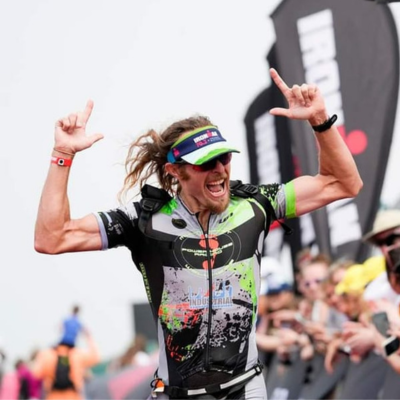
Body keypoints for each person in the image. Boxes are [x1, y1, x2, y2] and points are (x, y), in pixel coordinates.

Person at [34, 68, 362, 399]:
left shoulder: (255, 205)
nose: (219, 170)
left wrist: (320, 120)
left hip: (244, 389)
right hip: (174, 393)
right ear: (174, 171)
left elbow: (343, 183)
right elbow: (53, 237)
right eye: (205, 163)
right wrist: (62, 156)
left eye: (223, 158)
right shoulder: (145, 220)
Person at [32, 329, 99, 400]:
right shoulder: (77, 354)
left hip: (53, 396)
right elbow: (96, 358)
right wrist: (89, 337)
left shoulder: (47, 354)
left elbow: (36, 374)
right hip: (74, 396)